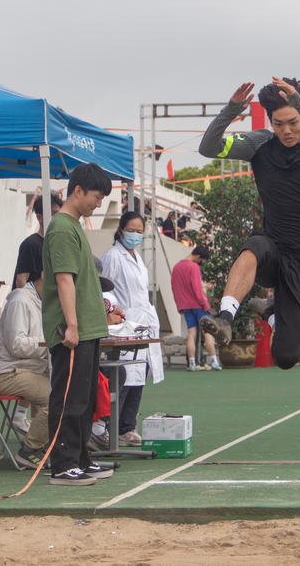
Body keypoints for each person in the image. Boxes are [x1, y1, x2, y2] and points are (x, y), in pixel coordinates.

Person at [197, 77, 300, 370]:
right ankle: (225, 318)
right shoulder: (259, 143)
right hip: (272, 250)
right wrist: (231, 110)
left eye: (293, 122)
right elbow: (208, 149)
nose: (286, 131)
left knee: (286, 357)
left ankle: (271, 310)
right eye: (278, 123)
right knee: (254, 245)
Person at [42, 163, 115, 485]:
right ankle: (61, 463)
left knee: (83, 399)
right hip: (75, 329)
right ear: (78, 191)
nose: (98, 204)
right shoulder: (60, 228)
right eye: (96, 198)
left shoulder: (73, 226)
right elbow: (63, 280)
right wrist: (71, 325)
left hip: (88, 326)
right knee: (69, 397)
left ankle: (80, 457)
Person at [100, 211, 165, 447]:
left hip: (142, 323)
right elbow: (105, 290)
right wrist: (112, 314)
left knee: (139, 374)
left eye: (140, 231)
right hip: (123, 322)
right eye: (131, 231)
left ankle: (127, 428)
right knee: (124, 375)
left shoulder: (138, 259)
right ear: (120, 231)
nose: (135, 235)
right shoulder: (113, 257)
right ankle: (108, 428)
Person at [0, 275, 51, 470]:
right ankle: (30, 450)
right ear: (44, 273)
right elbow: (16, 345)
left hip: (29, 370)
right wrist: (48, 342)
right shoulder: (19, 300)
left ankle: (56, 446)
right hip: (8, 373)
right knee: (59, 398)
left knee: (72, 389)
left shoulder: (39, 301)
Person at [170, 245, 222, 371]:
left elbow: (174, 287)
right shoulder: (194, 267)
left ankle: (192, 363)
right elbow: (198, 289)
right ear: (198, 256)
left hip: (185, 306)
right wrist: (205, 304)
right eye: (201, 260)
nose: (201, 263)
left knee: (191, 334)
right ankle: (214, 361)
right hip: (198, 305)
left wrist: (179, 305)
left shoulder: (176, 267)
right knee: (207, 332)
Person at [13, 194, 63, 289]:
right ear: (39, 217)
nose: (57, 218)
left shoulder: (59, 244)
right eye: (52, 213)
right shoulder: (30, 244)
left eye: (59, 213)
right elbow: (21, 281)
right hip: (33, 301)